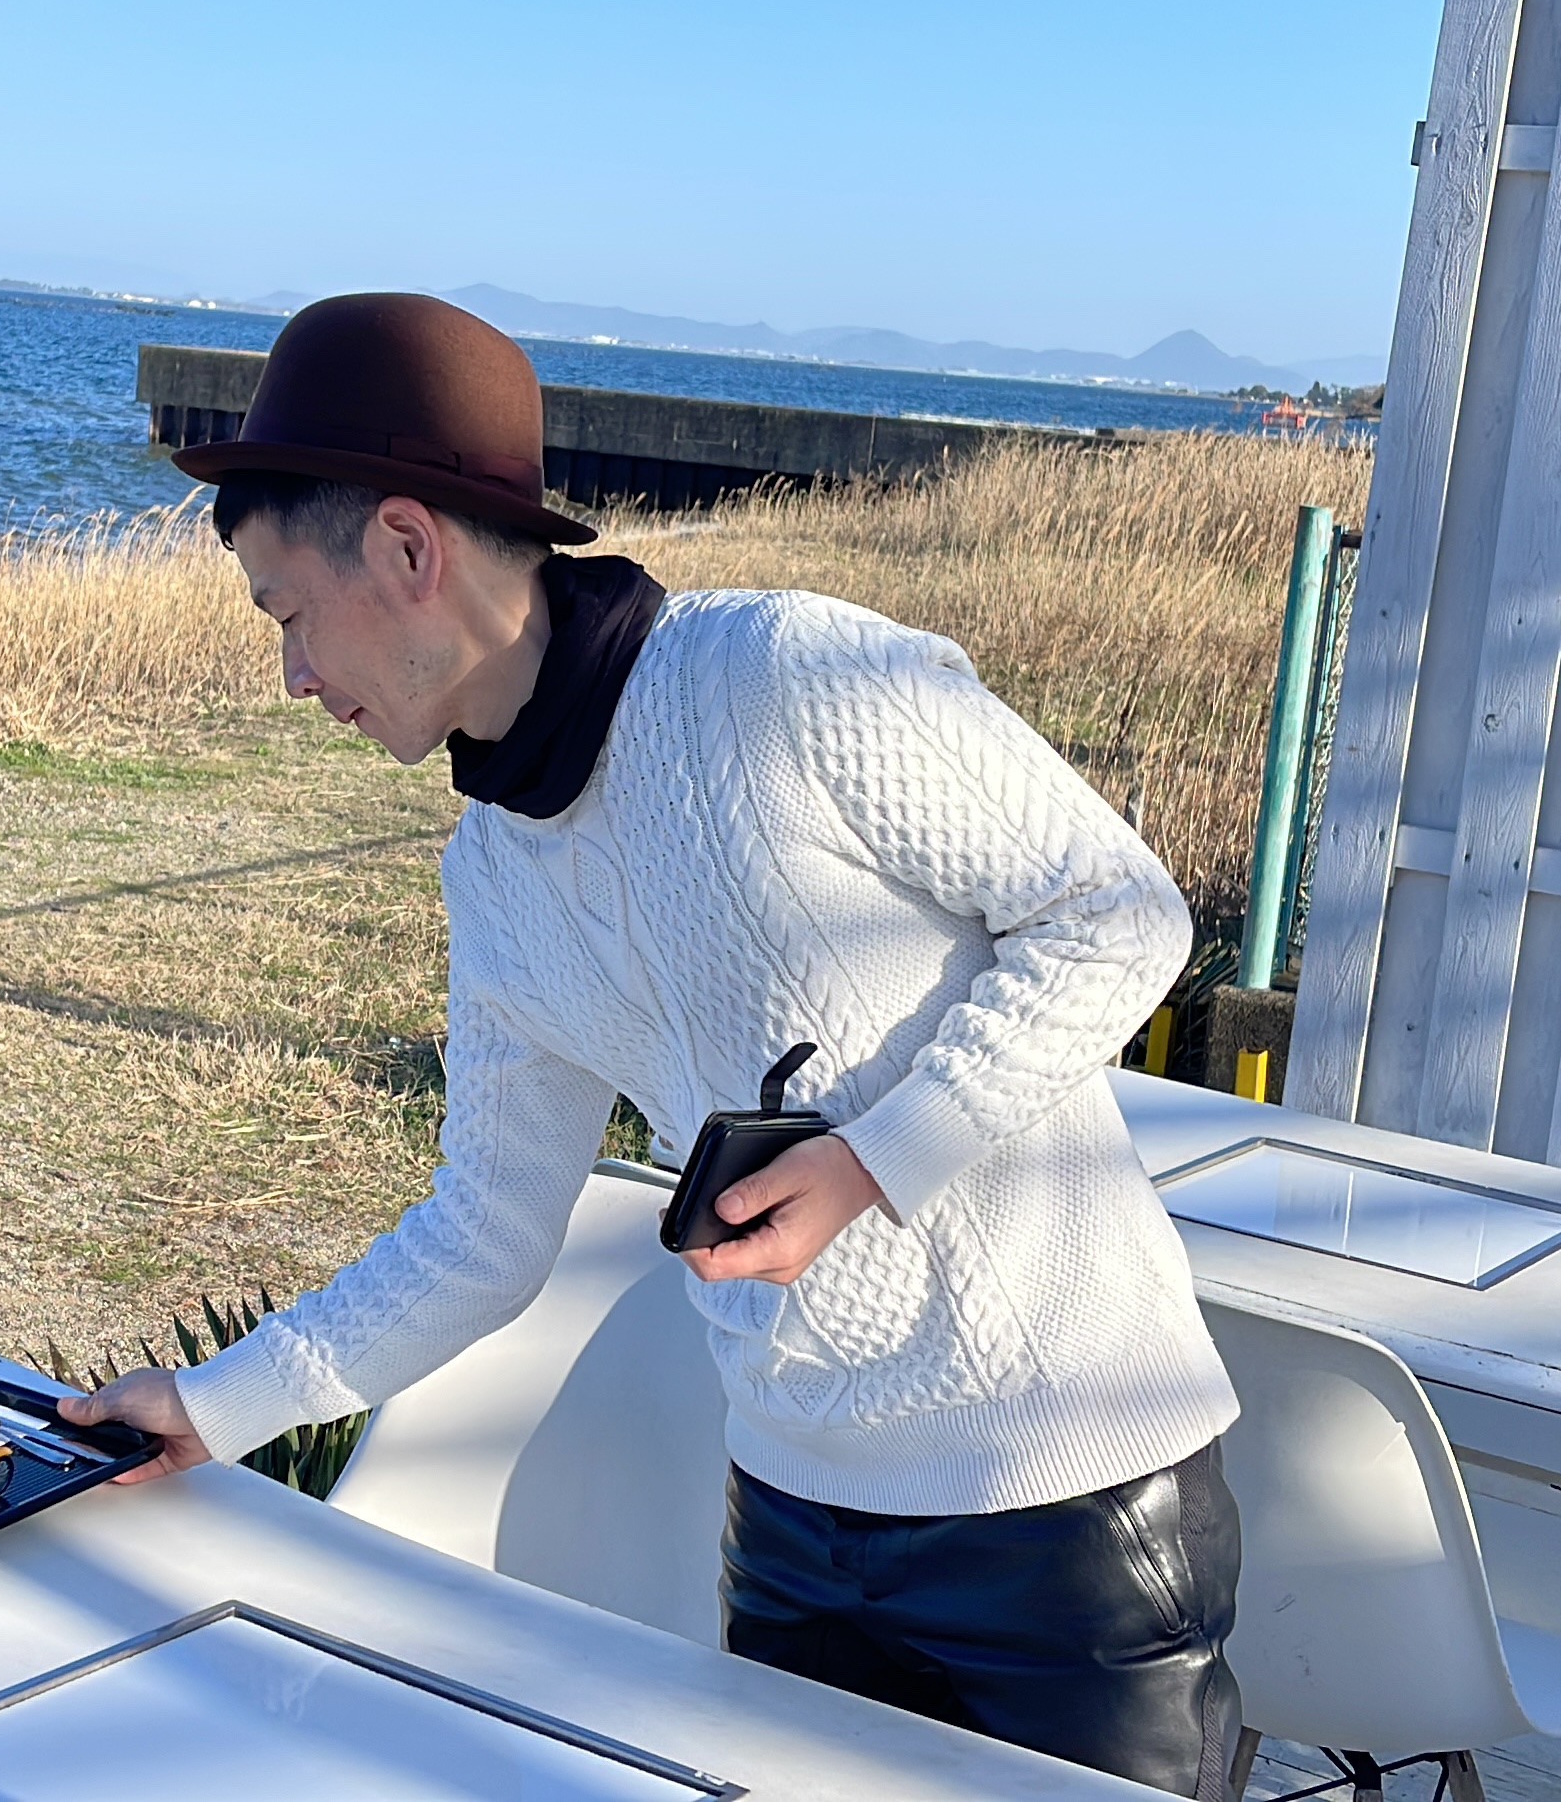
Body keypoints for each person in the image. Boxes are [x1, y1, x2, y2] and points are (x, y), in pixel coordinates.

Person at [61, 292, 1243, 1797]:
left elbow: (1120, 915)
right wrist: (213, 1405)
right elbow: (486, 1232)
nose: (292, 675)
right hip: (788, 1516)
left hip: (1072, 1500)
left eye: (288, 614)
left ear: (409, 548)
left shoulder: (782, 679)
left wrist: (875, 1160)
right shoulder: (495, 874)